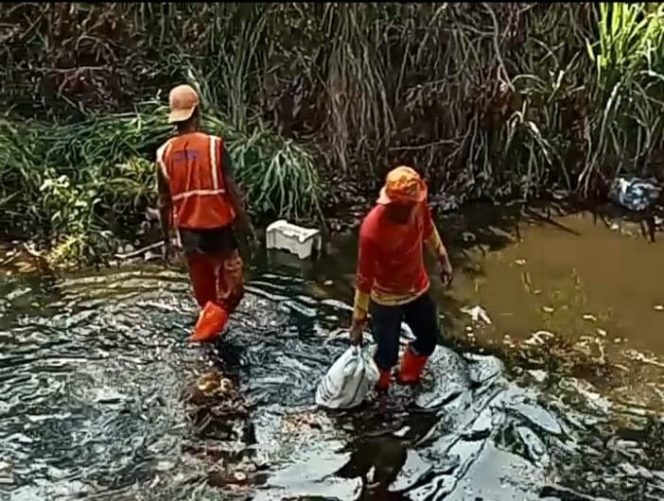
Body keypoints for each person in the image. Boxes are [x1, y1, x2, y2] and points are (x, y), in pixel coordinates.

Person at [155, 84, 253, 342]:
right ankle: (201, 339)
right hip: (219, 231)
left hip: (189, 235)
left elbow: (163, 202)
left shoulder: (163, 153)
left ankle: (209, 339)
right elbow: (232, 190)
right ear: (197, 112)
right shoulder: (214, 146)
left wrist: (167, 241)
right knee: (232, 292)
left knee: (205, 296)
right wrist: (245, 227)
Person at [349, 166, 453, 393]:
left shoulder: (418, 205)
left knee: (428, 339)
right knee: (385, 355)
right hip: (385, 299)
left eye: (405, 206)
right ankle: (381, 394)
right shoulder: (372, 230)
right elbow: (364, 278)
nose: (402, 210)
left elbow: (428, 228)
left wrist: (443, 258)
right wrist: (358, 320)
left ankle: (408, 377)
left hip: (417, 289)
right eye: (394, 206)